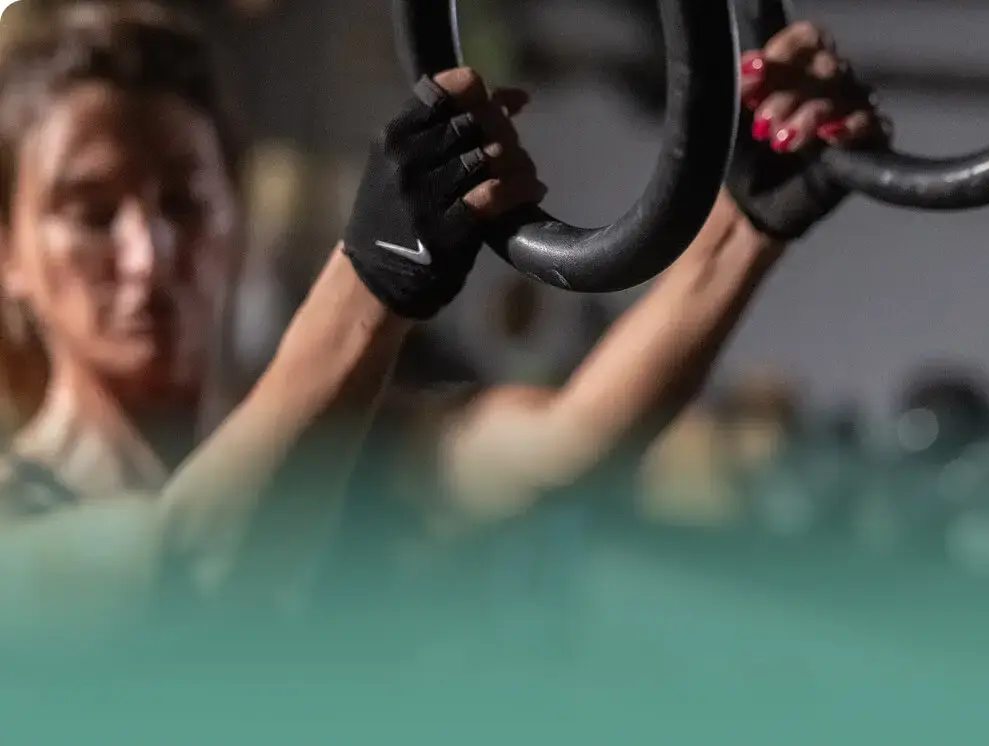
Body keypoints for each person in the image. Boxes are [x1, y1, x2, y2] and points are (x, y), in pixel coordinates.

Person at [0, 0, 885, 643]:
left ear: (234, 213)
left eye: (184, 201)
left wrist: (744, 223)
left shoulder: (357, 454)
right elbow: (195, 563)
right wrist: (370, 279)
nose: (148, 254)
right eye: (90, 212)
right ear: (9, 254)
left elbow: (571, 442)